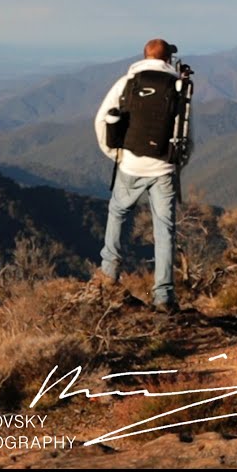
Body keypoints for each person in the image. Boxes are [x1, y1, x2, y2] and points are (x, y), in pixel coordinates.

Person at [92, 38, 192, 312]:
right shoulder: (178, 87)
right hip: (163, 170)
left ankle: (109, 275)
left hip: (130, 165)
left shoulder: (127, 83)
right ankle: (163, 297)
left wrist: (116, 154)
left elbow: (102, 119)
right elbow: (185, 134)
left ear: (145, 56)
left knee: (118, 214)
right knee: (165, 230)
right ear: (167, 59)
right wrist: (175, 164)